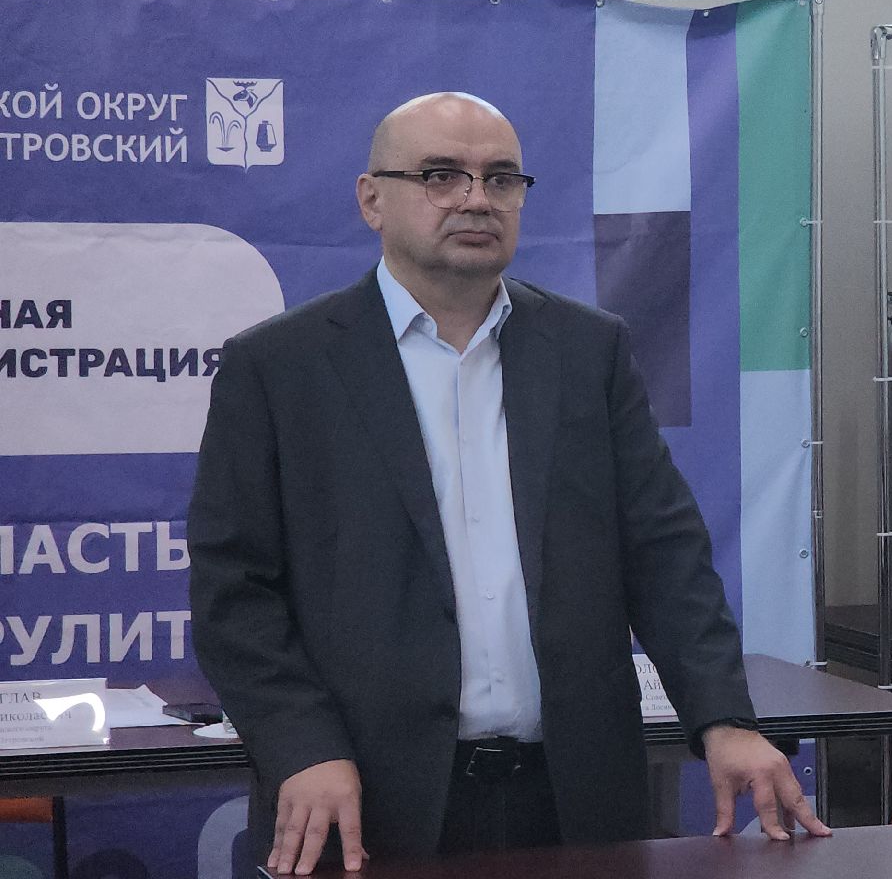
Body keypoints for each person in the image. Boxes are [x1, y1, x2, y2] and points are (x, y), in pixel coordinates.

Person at [188, 93, 827, 875]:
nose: (475, 199)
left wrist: (724, 719)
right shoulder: (278, 368)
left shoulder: (587, 353)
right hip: (364, 799)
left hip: (573, 799)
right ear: (372, 200)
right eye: (441, 176)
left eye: (500, 179)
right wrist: (302, 747)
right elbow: (235, 592)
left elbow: (665, 556)